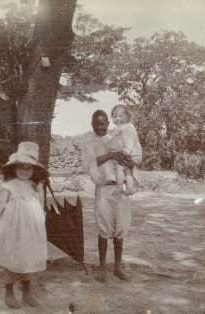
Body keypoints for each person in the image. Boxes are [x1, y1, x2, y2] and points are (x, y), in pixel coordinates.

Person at [0, 141, 49, 309]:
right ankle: (9, 293)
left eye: (28, 168)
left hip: (31, 230)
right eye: (20, 167)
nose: (24, 171)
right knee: (11, 259)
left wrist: (39, 222)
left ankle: (27, 292)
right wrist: (4, 227)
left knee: (28, 258)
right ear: (13, 168)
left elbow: (41, 205)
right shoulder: (8, 187)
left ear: (34, 170)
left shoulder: (36, 187)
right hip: (12, 230)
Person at [82, 110, 142, 282]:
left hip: (120, 188)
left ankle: (117, 267)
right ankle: (102, 268)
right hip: (103, 189)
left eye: (103, 123)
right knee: (104, 227)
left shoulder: (116, 137)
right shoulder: (89, 142)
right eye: (97, 124)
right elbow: (88, 164)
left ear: (108, 124)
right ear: (92, 125)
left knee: (120, 228)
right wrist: (109, 155)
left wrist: (129, 162)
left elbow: (131, 156)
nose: (101, 127)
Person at [104, 104, 142, 196]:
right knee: (127, 171)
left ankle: (119, 188)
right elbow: (113, 140)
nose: (117, 118)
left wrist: (126, 151)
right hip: (129, 154)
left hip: (131, 154)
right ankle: (130, 189)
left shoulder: (128, 127)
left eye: (120, 116)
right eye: (114, 117)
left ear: (128, 116)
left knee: (119, 168)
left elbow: (130, 140)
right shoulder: (120, 128)